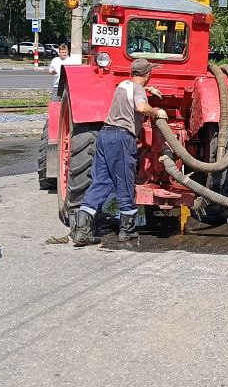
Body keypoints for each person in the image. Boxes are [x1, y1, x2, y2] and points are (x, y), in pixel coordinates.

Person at [71, 58, 165, 246]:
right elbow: (140, 107)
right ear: (148, 74)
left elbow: (133, 91)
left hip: (104, 136)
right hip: (122, 138)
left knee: (100, 182)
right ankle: (127, 231)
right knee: (124, 183)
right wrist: (157, 113)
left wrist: (149, 90)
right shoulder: (138, 90)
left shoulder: (123, 85)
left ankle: (82, 231)